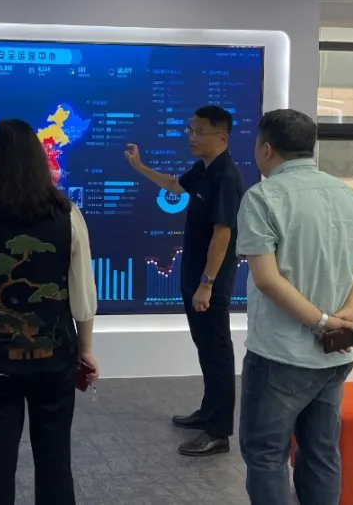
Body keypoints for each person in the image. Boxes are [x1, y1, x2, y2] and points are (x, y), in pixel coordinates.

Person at [236, 109, 353, 505]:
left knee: (266, 455)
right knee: (321, 452)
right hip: (336, 354)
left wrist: (321, 321)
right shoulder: (347, 195)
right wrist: (348, 315)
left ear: (266, 149)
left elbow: (267, 279)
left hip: (280, 355)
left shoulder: (263, 197)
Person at [0, 118, 99, 505]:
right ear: (38, 160)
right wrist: (86, 349)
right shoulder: (68, 214)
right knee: (55, 462)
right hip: (54, 358)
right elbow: (82, 293)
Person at [124, 105, 244, 456]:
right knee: (205, 348)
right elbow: (174, 185)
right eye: (190, 130)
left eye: (199, 132)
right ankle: (208, 412)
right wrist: (139, 167)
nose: (191, 137)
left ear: (221, 137)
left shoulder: (226, 177)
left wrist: (207, 283)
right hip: (194, 277)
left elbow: (223, 234)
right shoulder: (203, 170)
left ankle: (218, 432)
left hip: (209, 283)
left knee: (217, 354)